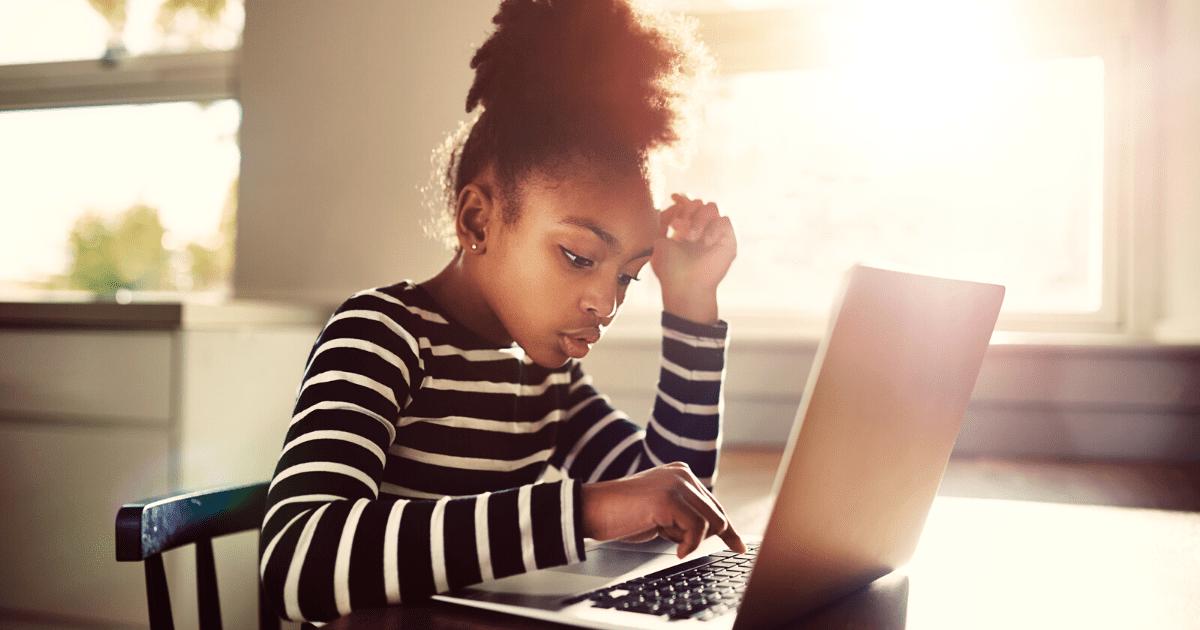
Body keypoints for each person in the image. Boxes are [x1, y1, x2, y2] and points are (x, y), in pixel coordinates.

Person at [259, 0, 743, 623]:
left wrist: (691, 308)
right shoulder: (382, 336)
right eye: (577, 256)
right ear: (477, 220)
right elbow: (300, 563)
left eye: (629, 275)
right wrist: (587, 510)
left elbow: (673, 502)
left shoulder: (547, 378)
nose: (607, 301)